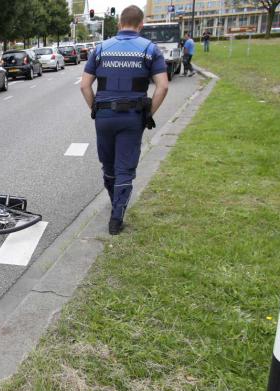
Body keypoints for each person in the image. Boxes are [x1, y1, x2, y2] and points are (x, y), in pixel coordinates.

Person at [80, 5, 169, 235]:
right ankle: (117, 217)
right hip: (132, 117)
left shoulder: (100, 49)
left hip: (104, 116)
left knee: (108, 165)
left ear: (119, 24)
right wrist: (148, 114)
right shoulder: (150, 49)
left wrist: (95, 109)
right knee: (125, 168)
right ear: (140, 26)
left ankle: (114, 200)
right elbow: (163, 86)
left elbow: (85, 85)